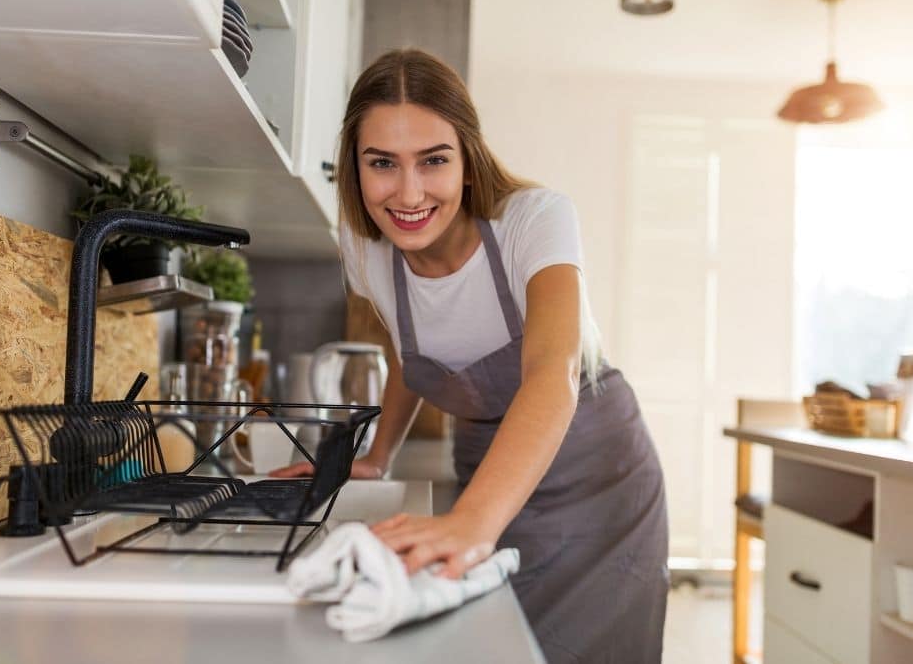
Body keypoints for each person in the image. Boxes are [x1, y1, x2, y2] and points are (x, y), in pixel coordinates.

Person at [271, 48, 669, 663]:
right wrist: (377, 457)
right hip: (487, 467)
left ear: (467, 159)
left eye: (433, 161)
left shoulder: (533, 221)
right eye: (382, 163)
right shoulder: (364, 246)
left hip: (597, 477)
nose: (408, 192)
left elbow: (552, 370)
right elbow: (412, 352)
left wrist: (473, 523)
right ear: (355, 166)